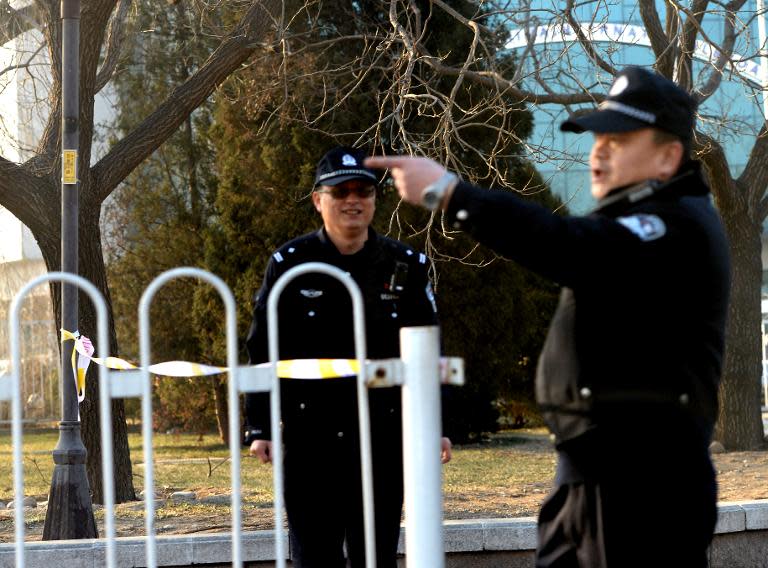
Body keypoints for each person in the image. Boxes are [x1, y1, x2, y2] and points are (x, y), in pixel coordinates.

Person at [366, 66, 731, 567]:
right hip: (593, 475)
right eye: (598, 136)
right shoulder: (638, 219)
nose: (599, 150)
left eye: (620, 138)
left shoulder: (675, 227)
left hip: (642, 481)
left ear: (669, 157)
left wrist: (450, 194)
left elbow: (567, 246)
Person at [243, 146, 452, 568]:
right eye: (340, 192)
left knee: (374, 554)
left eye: (363, 191)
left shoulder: (405, 265)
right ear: (318, 200)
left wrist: (438, 425)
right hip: (309, 435)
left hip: (382, 432)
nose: (353, 200)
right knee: (314, 554)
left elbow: (430, 350)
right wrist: (260, 425)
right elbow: (263, 346)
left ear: (375, 200)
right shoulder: (289, 264)